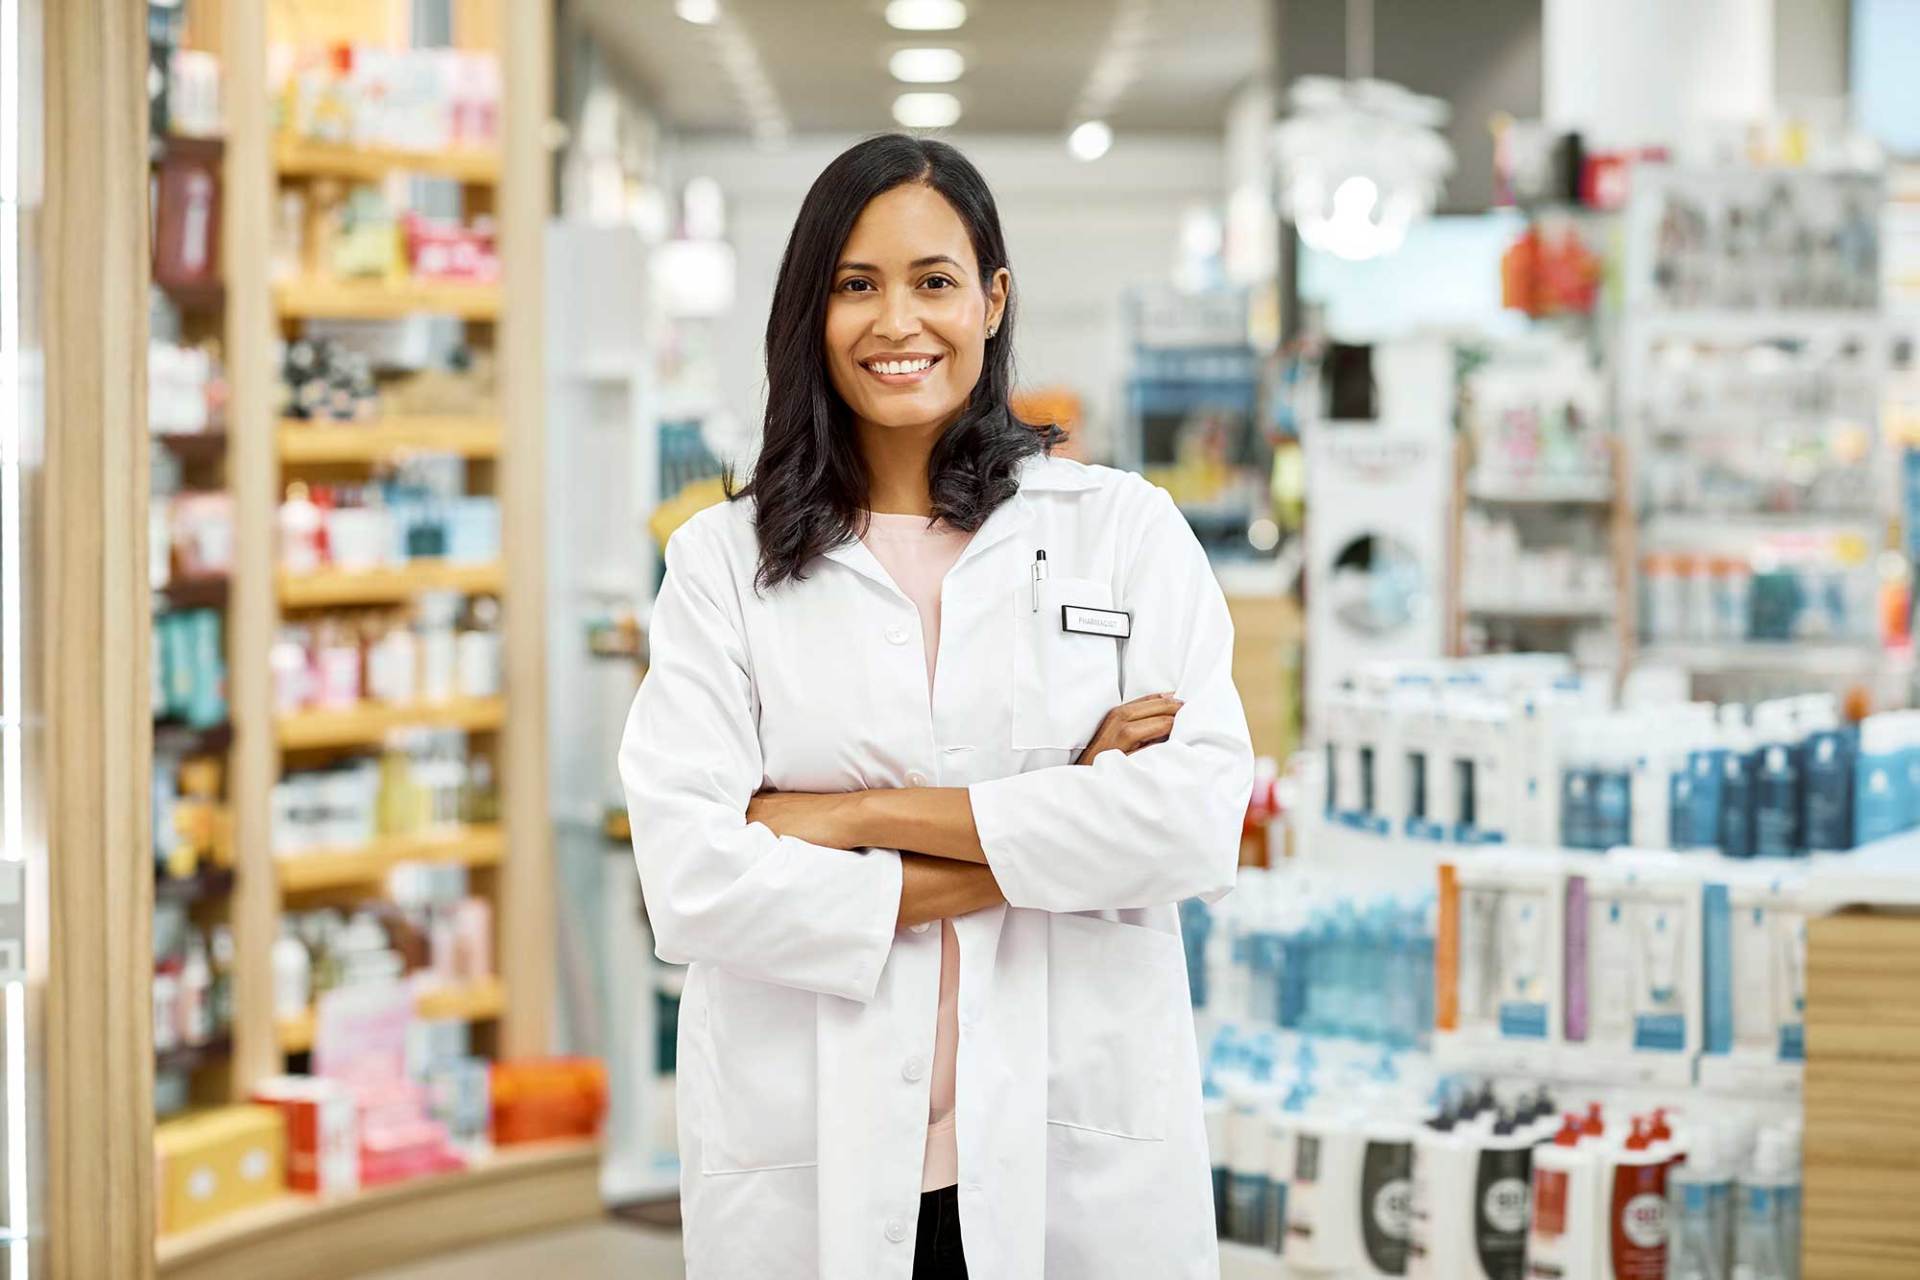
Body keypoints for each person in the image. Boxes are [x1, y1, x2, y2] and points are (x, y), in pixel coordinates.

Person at [620, 133, 1254, 1280]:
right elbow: (692, 878)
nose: (896, 322)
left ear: (993, 299)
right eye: (856, 285)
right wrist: (1066, 816)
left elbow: (1195, 820)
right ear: (810, 311)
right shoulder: (721, 561)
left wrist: (845, 813)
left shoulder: (1120, 531)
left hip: (1074, 1145)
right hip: (809, 1147)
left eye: (934, 281)